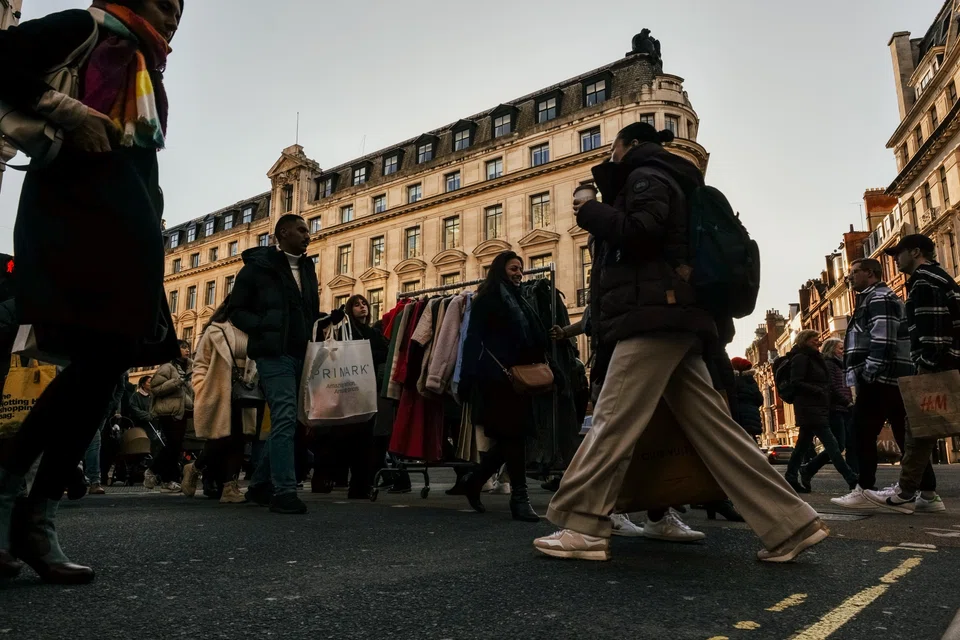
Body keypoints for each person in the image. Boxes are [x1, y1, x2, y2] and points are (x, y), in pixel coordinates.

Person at [534, 122, 825, 563]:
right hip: (677, 318)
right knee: (718, 432)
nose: (609, 155)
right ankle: (791, 524)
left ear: (630, 145)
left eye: (612, 147)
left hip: (653, 317)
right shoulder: (674, 178)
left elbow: (640, 232)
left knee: (611, 421)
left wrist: (590, 209)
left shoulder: (646, 176)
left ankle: (584, 525)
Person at [0, 0, 183, 585]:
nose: (174, 16)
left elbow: (141, 164)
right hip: (72, 219)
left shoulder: (148, 69)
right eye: (164, 2)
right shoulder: (86, 27)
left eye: (181, 8)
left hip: (127, 230)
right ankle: (18, 505)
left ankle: (33, 509)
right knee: (98, 360)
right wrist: (68, 110)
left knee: (105, 368)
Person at [230, 214, 320, 515]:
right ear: (283, 233)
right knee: (284, 415)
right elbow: (236, 310)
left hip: (301, 353)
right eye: (302, 230)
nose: (308, 235)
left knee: (288, 419)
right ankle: (284, 491)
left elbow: (306, 310)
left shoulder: (308, 268)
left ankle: (258, 486)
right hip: (272, 353)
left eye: (308, 230)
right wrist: (263, 326)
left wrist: (321, 321)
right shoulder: (257, 267)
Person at [831, 258, 935, 510]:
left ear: (870, 273)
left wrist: (869, 372)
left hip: (882, 377)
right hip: (891, 375)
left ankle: (864, 489)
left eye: (854, 272)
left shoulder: (878, 297)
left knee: (861, 432)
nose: (849, 277)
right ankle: (928, 493)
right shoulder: (874, 297)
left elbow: (883, 339)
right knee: (903, 432)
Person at [458, 251, 547, 523]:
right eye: (513, 268)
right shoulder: (486, 299)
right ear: (500, 270)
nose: (519, 273)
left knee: (512, 438)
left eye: (520, 268)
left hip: (519, 378)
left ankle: (475, 480)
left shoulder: (521, 299)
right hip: (496, 378)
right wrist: (466, 379)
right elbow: (472, 340)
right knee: (514, 435)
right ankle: (520, 498)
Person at [865, 235, 951, 513]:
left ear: (915, 252)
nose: (894, 260)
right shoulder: (940, 277)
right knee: (920, 431)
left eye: (898, 253)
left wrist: (926, 363)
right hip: (944, 363)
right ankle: (914, 492)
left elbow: (933, 327)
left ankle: (905, 493)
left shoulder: (924, 280)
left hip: (936, 365)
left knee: (917, 428)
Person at [310, 295, 390, 499]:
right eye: (356, 304)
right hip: (344, 387)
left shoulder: (373, 333)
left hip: (364, 387)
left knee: (364, 436)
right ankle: (334, 477)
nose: (362, 307)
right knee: (342, 434)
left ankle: (359, 484)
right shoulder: (344, 330)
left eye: (364, 304)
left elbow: (385, 353)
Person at [180, 297, 258, 504]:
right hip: (217, 390)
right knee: (220, 439)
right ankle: (194, 468)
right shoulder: (216, 330)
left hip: (244, 391)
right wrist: (200, 387)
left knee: (239, 439)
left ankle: (229, 488)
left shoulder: (252, 331)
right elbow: (200, 363)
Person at [783, 331, 858, 493]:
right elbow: (796, 382)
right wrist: (818, 391)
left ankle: (794, 475)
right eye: (814, 340)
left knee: (802, 447)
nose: (818, 342)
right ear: (805, 340)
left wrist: (846, 402)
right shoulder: (801, 358)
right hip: (809, 409)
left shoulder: (817, 359)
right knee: (833, 446)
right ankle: (852, 479)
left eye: (818, 339)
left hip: (818, 407)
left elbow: (829, 386)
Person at [798, 338, 854, 487]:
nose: (843, 351)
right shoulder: (829, 364)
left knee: (843, 445)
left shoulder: (840, 365)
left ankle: (808, 469)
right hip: (834, 409)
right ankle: (850, 477)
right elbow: (832, 388)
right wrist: (847, 402)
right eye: (840, 348)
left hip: (844, 408)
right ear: (831, 349)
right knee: (837, 446)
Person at [146, 340, 193, 493]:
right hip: (168, 411)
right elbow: (155, 388)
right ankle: (153, 470)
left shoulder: (190, 367)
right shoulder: (167, 367)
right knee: (173, 444)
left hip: (183, 411)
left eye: (188, 347)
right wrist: (177, 382)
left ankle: (167, 480)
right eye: (183, 347)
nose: (187, 350)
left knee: (177, 446)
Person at [731, 357, 763, 438]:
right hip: (753, 418)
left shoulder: (732, 381)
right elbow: (760, 400)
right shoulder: (751, 381)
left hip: (738, 418)